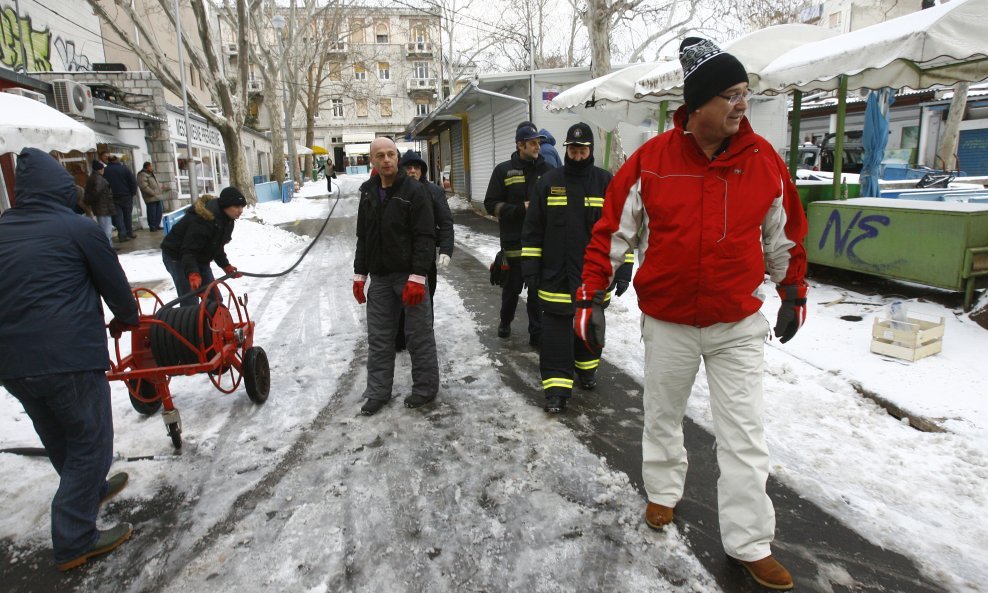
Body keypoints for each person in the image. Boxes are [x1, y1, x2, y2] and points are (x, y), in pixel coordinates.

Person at [575, 38, 808, 591]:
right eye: (730, 94)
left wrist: (792, 290)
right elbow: (612, 233)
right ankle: (662, 493)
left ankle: (751, 543)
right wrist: (590, 294)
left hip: (736, 323)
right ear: (698, 103)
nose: (741, 104)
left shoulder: (763, 161)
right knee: (662, 416)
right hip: (671, 321)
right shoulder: (651, 161)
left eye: (745, 94)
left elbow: (784, 234)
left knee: (745, 437)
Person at [0, 148, 139, 571]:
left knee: (59, 436)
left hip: (11, 363)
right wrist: (128, 318)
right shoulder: (78, 228)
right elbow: (113, 283)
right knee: (91, 443)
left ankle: (90, 491)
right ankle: (75, 538)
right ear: (62, 187)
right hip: (67, 357)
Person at [521, 122, 632, 413]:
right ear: (566, 149)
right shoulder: (548, 181)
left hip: (593, 278)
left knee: (589, 329)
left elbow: (622, 230)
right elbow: (533, 229)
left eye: (582, 149)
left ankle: (587, 371)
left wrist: (622, 270)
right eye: (573, 148)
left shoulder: (606, 182)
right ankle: (556, 391)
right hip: (555, 277)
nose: (578, 153)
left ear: (590, 150)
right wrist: (530, 267)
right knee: (556, 335)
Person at [352, 137, 439, 416]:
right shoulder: (367, 193)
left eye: (391, 154)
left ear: (397, 158)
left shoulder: (414, 191)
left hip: (409, 278)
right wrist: (359, 274)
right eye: (380, 155)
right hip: (379, 279)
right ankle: (378, 392)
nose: (386, 159)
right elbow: (363, 237)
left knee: (418, 336)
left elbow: (426, 236)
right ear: (372, 161)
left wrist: (417, 276)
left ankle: (425, 389)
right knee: (378, 338)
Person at [484, 121, 551, 346]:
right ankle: (505, 321)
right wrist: (518, 209)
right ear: (520, 145)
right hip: (513, 242)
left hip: (539, 242)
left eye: (538, 143)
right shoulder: (503, 170)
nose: (537, 147)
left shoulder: (547, 171)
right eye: (532, 143)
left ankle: (537, 332)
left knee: (536, 291)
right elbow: (490, 204)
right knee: (511, 291)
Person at [394, 150, 454, 352]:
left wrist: (446, 249)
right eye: (408, 167)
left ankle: (424, 338)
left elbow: (445, 222)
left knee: (424, 300)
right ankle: (400, 338)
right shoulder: (394, 190)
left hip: (425, 257)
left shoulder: (434, 192)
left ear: (422, 170)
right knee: (400, 299)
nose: (412, 171)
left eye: (416, 167)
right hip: (399, 258)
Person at [160, 186, 246, 307]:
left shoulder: (227, 220)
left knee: (214, 298)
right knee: (190, 299)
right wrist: (193, 273)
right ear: (226, 206)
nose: (241, 210)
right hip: (176, 255)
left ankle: (210, 324)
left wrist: (226, 266)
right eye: (237, 207)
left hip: (199, 257)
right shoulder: (203, 220)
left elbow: (216, 246)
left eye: (242, 207)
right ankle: (189, 324)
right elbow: (188, 250)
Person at [102, 155, 138, 242]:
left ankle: (122, 234)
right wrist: (133, 192)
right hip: (126, 195)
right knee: (127, 215)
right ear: (117, 160)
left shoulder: (105, 171)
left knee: (118, 216)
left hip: (113, 196)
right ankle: (129, 232)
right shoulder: (125, 169)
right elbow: (133, 181)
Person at [84, 159, 116, 243]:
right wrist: (89, 201)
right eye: (103, 169)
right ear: (100, 169)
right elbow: (96, 192)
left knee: (105, 230)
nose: (103, 170)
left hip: (101, 207)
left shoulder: (93, 177)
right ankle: (108, 248)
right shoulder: (99, 179)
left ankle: (108, 247)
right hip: (103, 207)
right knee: (106, 231)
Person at [137, 161, 166, 231]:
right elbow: (144, 186)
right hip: (150, 197)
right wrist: (153, 193)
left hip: (157, 196)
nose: (152, 167)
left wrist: (161, 186)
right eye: (151, 166)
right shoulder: (142, 174)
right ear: (147, 167)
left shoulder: (151, 174)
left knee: (159, 212)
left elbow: (156, 183)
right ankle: (152, 226)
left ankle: (157, 225)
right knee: (152, 213)